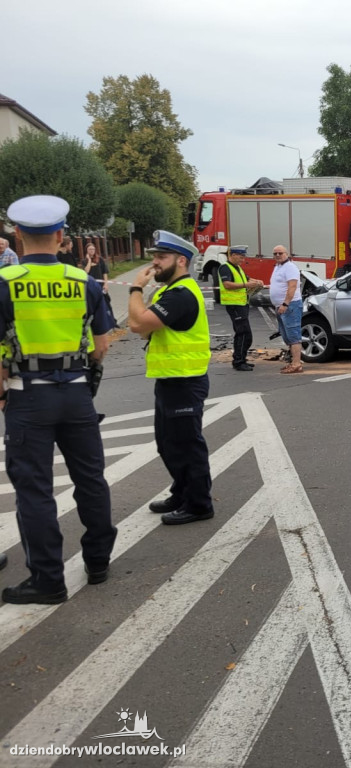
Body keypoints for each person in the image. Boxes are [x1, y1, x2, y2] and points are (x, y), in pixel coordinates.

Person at [0, 195, 117, 604]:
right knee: (91, 479)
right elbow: (101, 345)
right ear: (62, 235)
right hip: (77, 394)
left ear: (16, 234)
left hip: (27, 398)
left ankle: (48, 580)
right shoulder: (82, 281)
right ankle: (98, 561)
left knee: (34, 490)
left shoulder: (4, 284)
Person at [127, 230, 214, 525]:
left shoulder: (181, 295)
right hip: (170, 379)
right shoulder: (169, 291)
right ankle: (182, 491)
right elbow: (146, 326)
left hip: (185, 381)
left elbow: (138, 324)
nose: (154, 264)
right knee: (167, 443)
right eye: (153, 257)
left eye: (160, 258)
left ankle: (199, 504)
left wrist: (136, 289)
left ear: (181, 260)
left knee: (187, 445)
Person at [218, 245, 263, 371]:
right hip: (234, 305)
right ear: (232, 255)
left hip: (242, 304)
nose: (242, 259)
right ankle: (238, 361)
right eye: (241, 256)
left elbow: (247, 278)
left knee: (245, 334)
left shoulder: (237, 268)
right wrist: (246, 284)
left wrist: (256, 282)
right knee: (243, 333)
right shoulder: (225, 268)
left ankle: (241, 359)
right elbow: (227, 284)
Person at [270, 245, 302, 374]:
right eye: (275, 253)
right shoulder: (278, 267)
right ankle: (292, 362)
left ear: (287, 254)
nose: (277, 255)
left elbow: (292, 287)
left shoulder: (290, 267)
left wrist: (285, 304)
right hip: (281, 306)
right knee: (287, 336)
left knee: (293, 335)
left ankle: (296, 364)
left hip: (291, 306)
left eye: (280, 253)